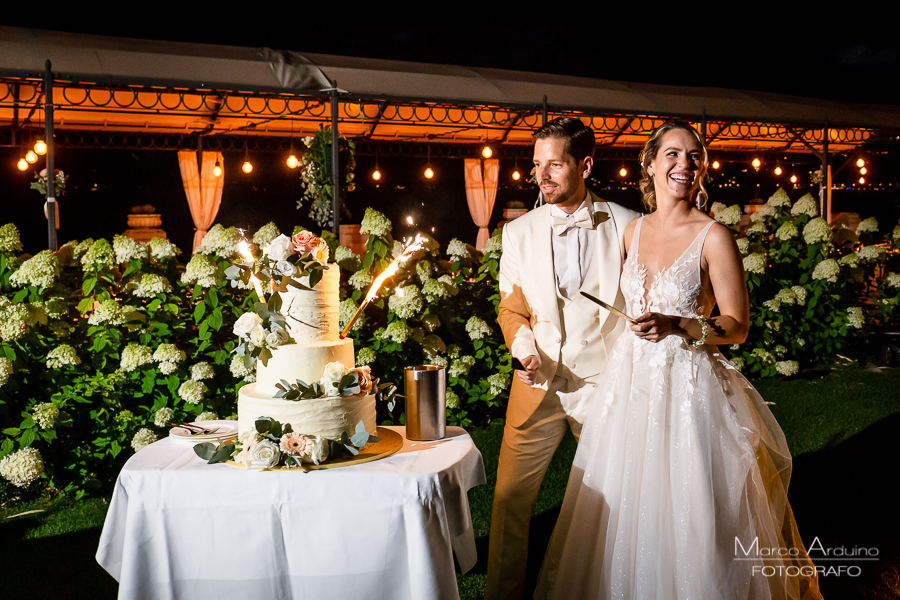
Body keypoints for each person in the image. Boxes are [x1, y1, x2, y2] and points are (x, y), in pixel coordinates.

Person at [533, 120, 823, 599]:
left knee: (693, 509)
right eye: (672, 154)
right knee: (625, 501)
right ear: (649, 164)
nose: (683, 165)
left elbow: (737, 326)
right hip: (630, 386)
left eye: (692, 156)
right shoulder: (632, 232)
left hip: (689, 390)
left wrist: (681, 324)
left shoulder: (714, 237)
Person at [488, 117, 640, 600]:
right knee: (509, 500)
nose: (542, 175)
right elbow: (511, 308)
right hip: (538, 386)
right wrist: (523, 348)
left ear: (585, 164)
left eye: (555, 164)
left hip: (605, 384)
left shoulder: (628, 223)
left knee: (614, 501)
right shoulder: (517, 232)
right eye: (537, 165)